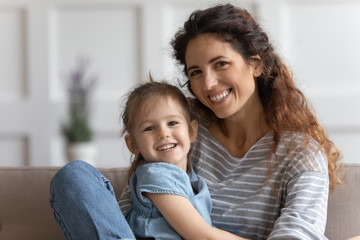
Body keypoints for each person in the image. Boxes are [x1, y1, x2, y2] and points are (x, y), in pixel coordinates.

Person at [50, 3, 343, 240]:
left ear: (255, 64)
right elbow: (128, 211)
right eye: (195, 72)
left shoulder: (301, 154)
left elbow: (298, 234)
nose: (209, 83)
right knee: (75, 177)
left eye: (221, 64)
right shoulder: (180, 126)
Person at [121, 80, 245, 239]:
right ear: (133, 144)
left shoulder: (192, 180)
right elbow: (203, 236)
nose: (163, 133)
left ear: (192, 131)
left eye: (172, 123)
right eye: (149, 128)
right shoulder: (156, 176)